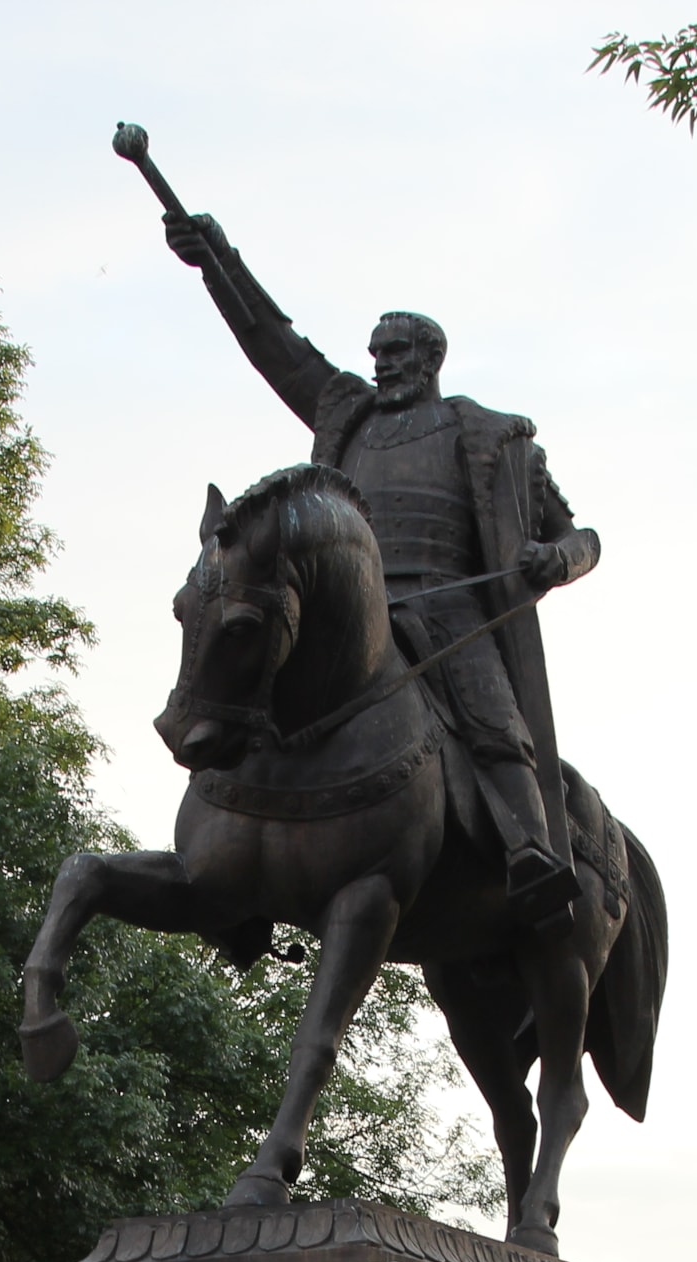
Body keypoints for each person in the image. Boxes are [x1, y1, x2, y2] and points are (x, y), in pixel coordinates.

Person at [159, 210, 596, 926]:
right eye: (376, 352)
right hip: (343, 607)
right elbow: (275, 346)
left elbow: (580, 534)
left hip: (446, 606)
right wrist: (215, 262)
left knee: (494, 721)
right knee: (248, 681)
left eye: (396, 352)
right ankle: (228, 869)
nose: (382, 363)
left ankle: (533, 850)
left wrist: (558, 556)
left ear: (431, 359)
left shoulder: (485, 434)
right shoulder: (346, 413)